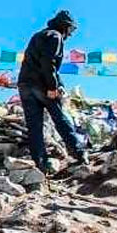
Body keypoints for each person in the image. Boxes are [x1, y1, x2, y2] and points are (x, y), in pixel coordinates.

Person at [17, 10, 86, 173]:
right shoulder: (55, 36)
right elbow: (49, 64)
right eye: (71, 30)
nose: (71, 34)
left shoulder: (37, 35)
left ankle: (40, 164)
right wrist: (53, 88)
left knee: (34, 126)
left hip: (25, 84)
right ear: (66, 26)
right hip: (42, 85)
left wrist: (58, 83)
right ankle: (80, 153)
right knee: (60, 118)